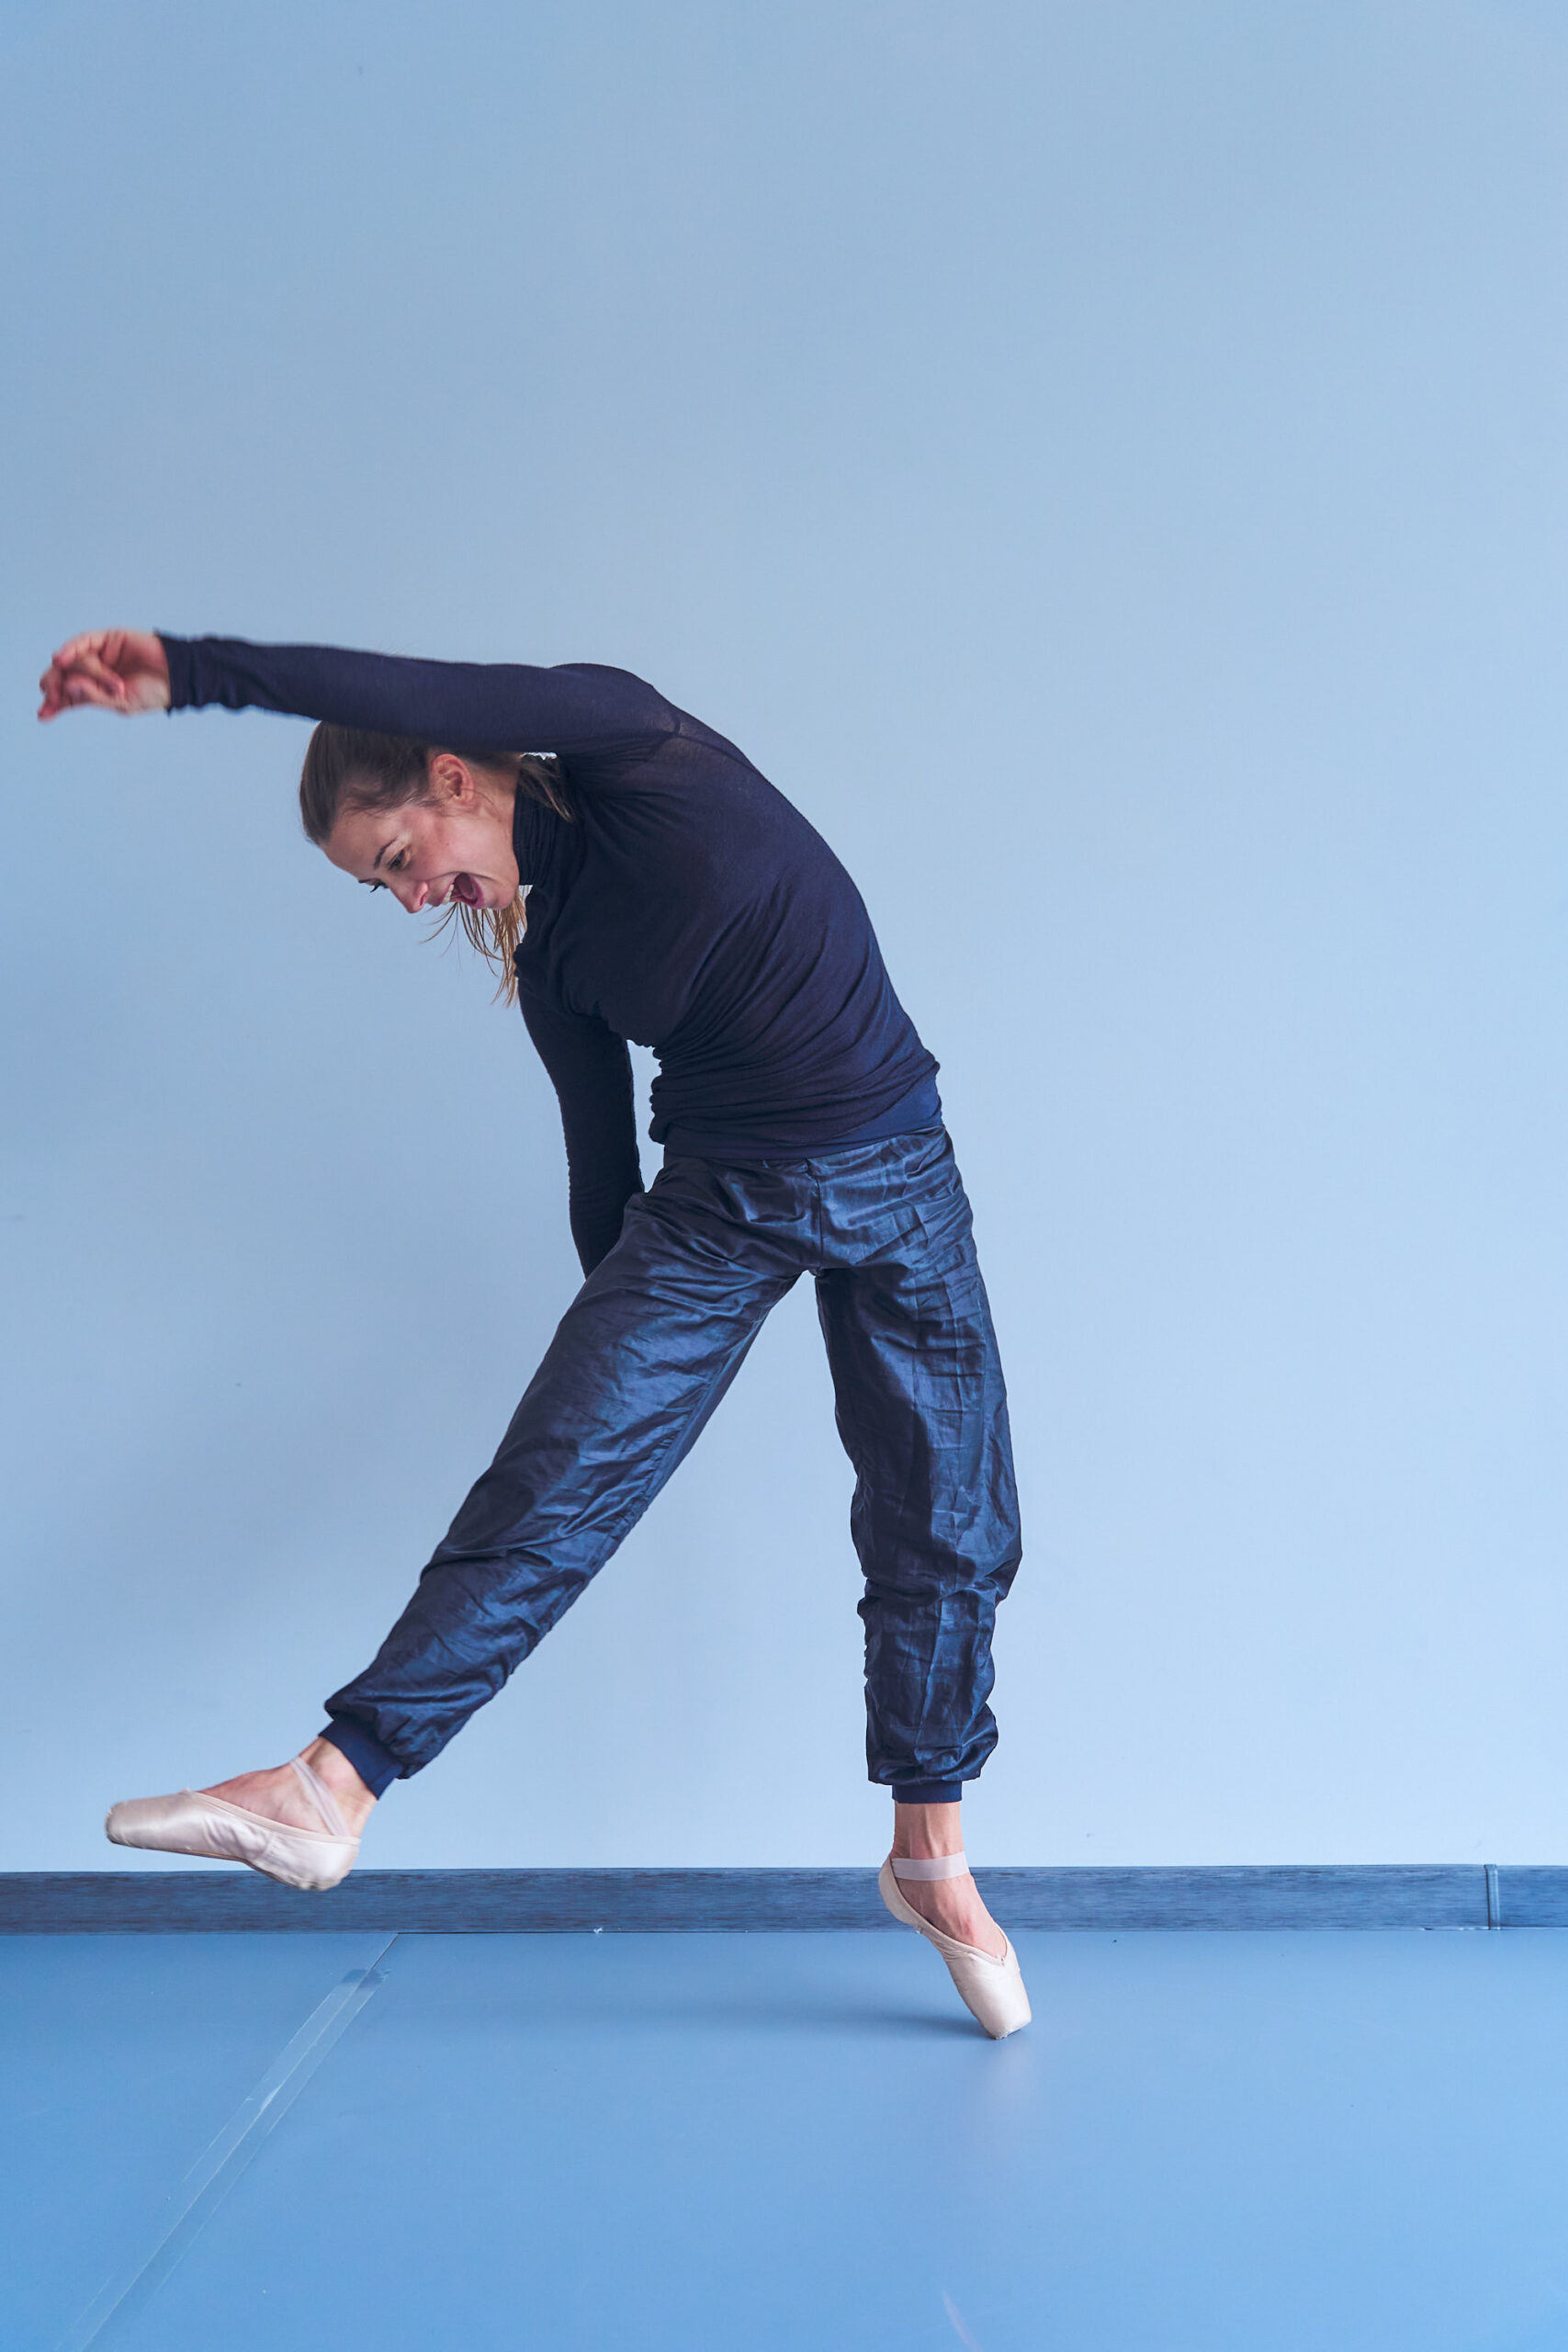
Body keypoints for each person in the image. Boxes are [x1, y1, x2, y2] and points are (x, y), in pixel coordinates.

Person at [37, 627, 1030, 2038]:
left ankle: (930, 1859)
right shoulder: (552, 954)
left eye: (396, 858)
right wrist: (613, 1374)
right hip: (719, 1202)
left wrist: (191, 673)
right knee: (555, 1487)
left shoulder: (637, 752)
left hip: (896, 1167)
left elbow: (404, 689)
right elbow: (598, 1165)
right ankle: (330, 1787)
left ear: (452, 776)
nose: (406, 898)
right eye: (381, 887)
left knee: (948, 1516)